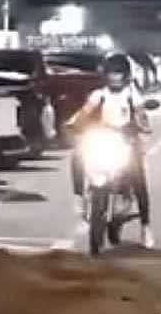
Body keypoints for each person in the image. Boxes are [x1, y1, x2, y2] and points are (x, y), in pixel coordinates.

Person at [66, 53, 155, 248]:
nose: (115, 77)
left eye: (119, 74)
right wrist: (74, 123)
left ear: (126, 75)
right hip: (103, 140)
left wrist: (141, 125)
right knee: (77, 156)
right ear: (106, 75)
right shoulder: (99, 95)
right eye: (112, 73)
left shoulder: (133, 95)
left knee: (139, 179)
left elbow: (141, 115)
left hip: (127, 142)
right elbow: (84, 112)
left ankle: (145, 226)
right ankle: (79, 196)